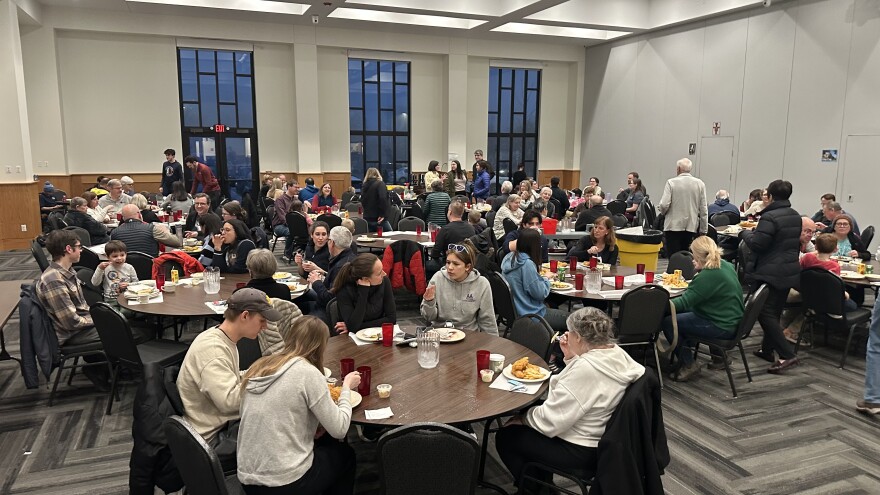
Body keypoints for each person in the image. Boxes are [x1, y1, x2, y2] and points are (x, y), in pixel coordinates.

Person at [496, 307, 645, 491]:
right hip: (604, 436)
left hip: (582, 449)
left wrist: (523, 418)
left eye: (569, 332)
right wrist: (571, 358)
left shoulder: (586, 369)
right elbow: (584, 391)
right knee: (531, 415)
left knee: (507, 437)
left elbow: (552, 421)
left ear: (579, 338)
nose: (566, 336)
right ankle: (541, 486)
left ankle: (535, 490)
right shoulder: (616, 353)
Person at [237, 316, 359, 495]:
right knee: (346, 456)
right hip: (285, 482)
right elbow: (340, 429)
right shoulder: (307, 373)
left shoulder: (259, 367)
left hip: (247, 478)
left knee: (324, 442)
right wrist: (346, 387)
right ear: (320, 346)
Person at [177, 288, 281, 472]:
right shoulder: (214, 351)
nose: (265, 326)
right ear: (245, 316)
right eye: (262, 320)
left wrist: (262, 371)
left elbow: (231, 379)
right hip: (211, 438)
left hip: (217, 421)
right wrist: (271, 385)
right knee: (282, 426)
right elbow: (229, 403)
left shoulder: (220, 337)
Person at [661, 237, 745, 382]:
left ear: (699, 257)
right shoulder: (725, 265)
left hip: (721, 325)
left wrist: (657, 304)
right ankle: (718, 358)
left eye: (693, 256)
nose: (692, 260)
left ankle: (688, 364)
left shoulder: (708, 276)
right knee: (681, 315)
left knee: (669, 322)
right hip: (732, 319)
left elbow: (683, 302)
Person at [741, 179, 802, 374]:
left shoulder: (769, 217)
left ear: (771, 196)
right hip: (788, 269)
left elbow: (758, 244)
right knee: (774, 311)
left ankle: (787, 354)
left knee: (763, 311)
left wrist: (745, 234)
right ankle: (767, 350)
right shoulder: (795, 215)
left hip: (770, 270)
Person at [36, 231, 106, 388]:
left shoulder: (67, 271)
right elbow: (71, 322)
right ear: (68, 249)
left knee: (120, 322)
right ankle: (100, 369)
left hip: (80, 326)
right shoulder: (54, 280)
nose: (81, 250)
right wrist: (100, 320)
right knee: (124, 330)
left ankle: (101, 364)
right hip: (72, 334)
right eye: (79, 247)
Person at [422, 240, 498, 335]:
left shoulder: (482, 284)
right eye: (448, 262)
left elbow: (487, 321)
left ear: (468, 267)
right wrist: (429, 302)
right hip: (440, 334)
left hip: (469, 336)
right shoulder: (438, 278)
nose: (450, 267)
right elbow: (429, 317)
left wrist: (494, 342)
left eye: (456, 264)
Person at [502, 228, 568, 333]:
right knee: (573, 319)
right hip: (532, 315)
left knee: (553, 305)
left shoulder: (509, 257)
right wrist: (546, 279)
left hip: (515, 311)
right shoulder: (526, 264)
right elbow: (540, 294)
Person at [331, 253, 395, 335]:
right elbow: (353, 327)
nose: (384, 274)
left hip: (378, 334)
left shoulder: (384, 281)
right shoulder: (344, 290)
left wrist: (360, 326)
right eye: (379, 273)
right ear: (365, 279)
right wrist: (363, 291)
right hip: (351, 338)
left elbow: (392, 319)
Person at [658, 158, 708, 257]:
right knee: (687, 256)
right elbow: (703, 209)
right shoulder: (700, 184)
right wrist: (703, 230)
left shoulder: (671, 182)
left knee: (673, 256)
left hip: (673, 226)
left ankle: (673, 267)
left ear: (678, 169)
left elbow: (664, 204)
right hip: (691, 226)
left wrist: (663, 212)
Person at [309, 226, 357, 325]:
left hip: (332, 312)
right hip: (348, 307)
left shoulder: (340, 267)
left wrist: (316, 282)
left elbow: (330, 299)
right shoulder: (352, 258)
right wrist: (325, 274)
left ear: (332, 243)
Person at [110, 204, 181, 256]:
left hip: (124, 269)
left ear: (123, 218)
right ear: (139, 215)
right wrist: (166, 231)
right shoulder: (152, 229)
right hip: (151, 268)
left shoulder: (115, 233)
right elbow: (177, 243)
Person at [428, 202, 476, 278]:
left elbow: (435, 253)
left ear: (450, 212)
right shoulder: (471, 228)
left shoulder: (445, 229)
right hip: (468, 263)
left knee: (426, 265)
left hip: (448, 263)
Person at [272, 182, 301, 261]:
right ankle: (287, 254)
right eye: (296, 187)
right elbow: (283, 217)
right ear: (289, 187)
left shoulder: (296, 199)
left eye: (298, 187)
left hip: (293, 224)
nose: (298, 189)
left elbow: (299, 213)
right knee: (291, 232)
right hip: (279, 225)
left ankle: (298, 252)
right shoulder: (280, 200)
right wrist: (294, 226)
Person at [361, 167, 392, 232]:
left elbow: (362, 200)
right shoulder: (380, 184)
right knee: (389, 234)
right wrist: (382, 214)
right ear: (378, 174)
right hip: (378, 217)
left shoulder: (364, 185)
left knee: (371, 236)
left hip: (367, 216)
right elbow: (383, 198)